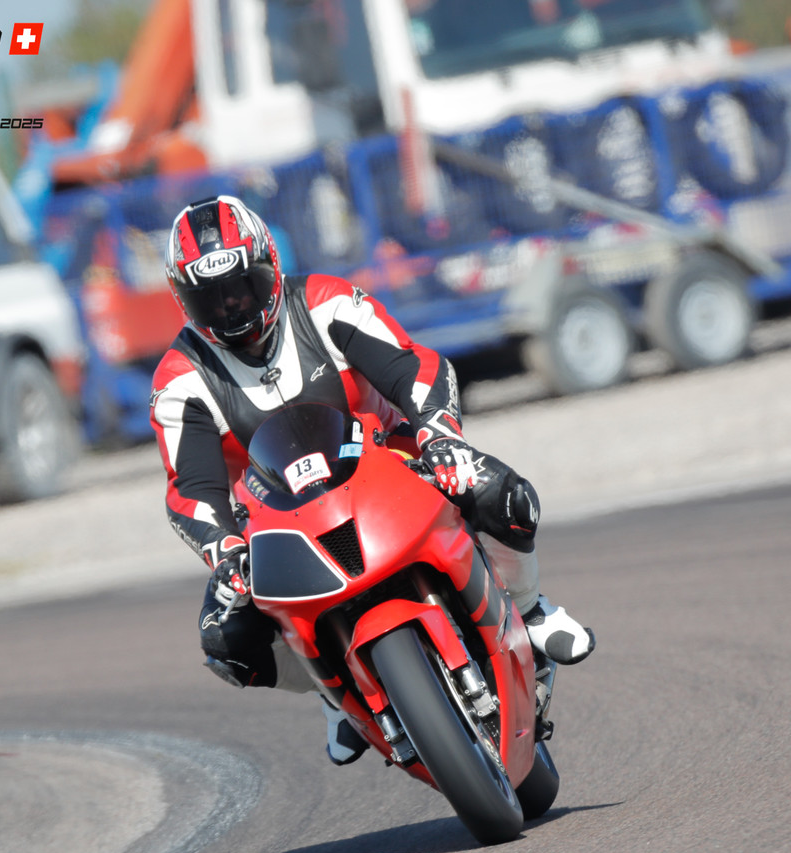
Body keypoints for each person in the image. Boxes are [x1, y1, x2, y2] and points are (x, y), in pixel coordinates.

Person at [150, 195, 593, 764]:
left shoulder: (326, 302)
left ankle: (529, 610)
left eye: (243, 287)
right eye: (210, 298)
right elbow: (190, 489)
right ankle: (330, 689)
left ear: (271, 267)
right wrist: (225, 550)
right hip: (276, 519)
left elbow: (413, 367)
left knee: (500, 493)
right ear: (183, 301)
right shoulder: (179, 380)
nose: (231, 308)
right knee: (227, 640)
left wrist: (440, 435)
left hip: (387, 460)